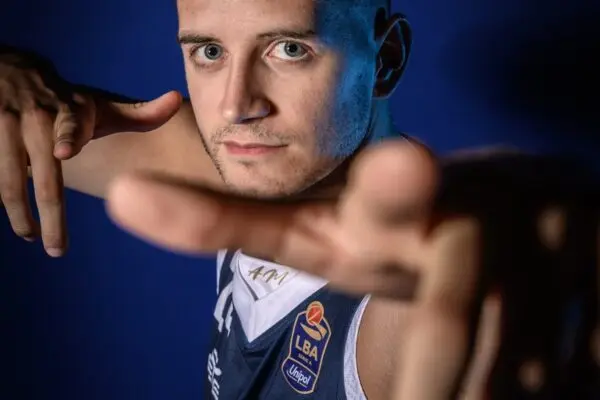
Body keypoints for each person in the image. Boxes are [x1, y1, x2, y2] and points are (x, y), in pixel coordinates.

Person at [0, 0, 597, 399]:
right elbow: (28, 133)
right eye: (209, 52)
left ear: (385, 59)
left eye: (289, 49)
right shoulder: (240, 168)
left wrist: (525, 258)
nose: (236, 106)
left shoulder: (401, 282)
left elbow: (455, 288)